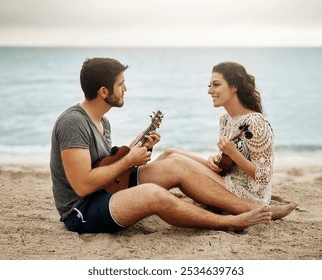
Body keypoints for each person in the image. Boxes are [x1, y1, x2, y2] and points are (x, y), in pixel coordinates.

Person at [50, 57, 292, 234]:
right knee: (153, 195)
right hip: (82, 210)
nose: (126, 89)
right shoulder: (74, 123)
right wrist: (128, 160)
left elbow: (108, 170)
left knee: (176, 163)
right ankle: (229, 222)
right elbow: (82, 186)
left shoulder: (102, 122)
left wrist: (142, 153)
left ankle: (255, 208)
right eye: (121, 84)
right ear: (104, 91)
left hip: (105, 191)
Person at [156, 61, 295, 209]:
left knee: (177, 162)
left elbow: (264, 177)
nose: (210, 91)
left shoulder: (256, 123)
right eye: (209, 85)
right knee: (171, 152)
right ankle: (135, 188)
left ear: (234, 86)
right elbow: (227, 164)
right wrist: (214, 161)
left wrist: (234, 153)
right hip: (227, 179)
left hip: (247, 195)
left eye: (216, 84)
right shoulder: (225, 120)